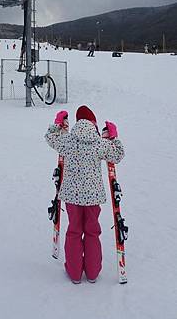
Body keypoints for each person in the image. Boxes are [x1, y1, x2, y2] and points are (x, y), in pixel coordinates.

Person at [45, 105, 124, 284]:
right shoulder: (99, 143)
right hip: (93, 198)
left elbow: (50, 137)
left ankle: (74, 273)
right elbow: (118, 155)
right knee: (92, 231)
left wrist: (58, 125)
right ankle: (93, 272)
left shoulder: (68, 141)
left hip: (72, 197)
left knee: (74, 231)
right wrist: (114, 137)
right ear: (94, 124)